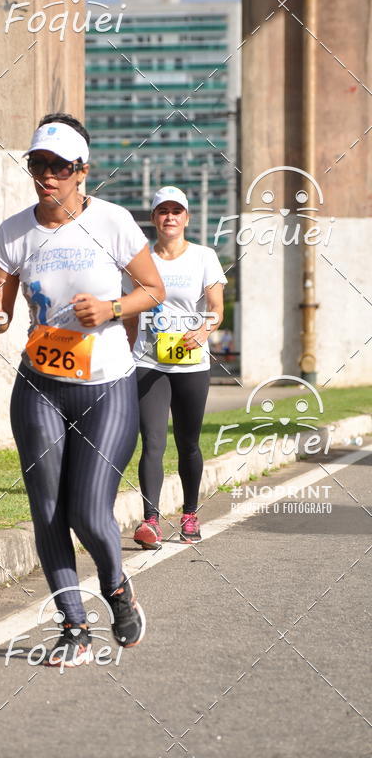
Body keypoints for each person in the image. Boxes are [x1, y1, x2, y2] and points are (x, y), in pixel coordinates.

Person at [0, 113, 165, 667]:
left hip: (106, 387)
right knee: (47, 511)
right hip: (39, 386)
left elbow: (152, 290)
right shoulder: (13, 232)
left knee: (88, 512)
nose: (47, 177)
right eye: (38, 165)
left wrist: (112, 307)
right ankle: (74, 627)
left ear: (82, 171)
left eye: (59, 167)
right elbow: (0, 312)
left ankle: (115, 588)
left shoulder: (112, 223)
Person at [124, 186, 226, 548]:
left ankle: (190, 514)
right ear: (154, 218)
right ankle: (150, 521)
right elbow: (131, 310)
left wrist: (202, 331)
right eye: (163, 211)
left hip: (191, 363)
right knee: (151, 442)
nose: (170, 217)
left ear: (187, 218)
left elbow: (216, 306)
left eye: (176, 211)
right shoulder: (140, 259)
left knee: (188, 443)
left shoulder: (203, 256)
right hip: (147, 362)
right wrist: (125, 348)